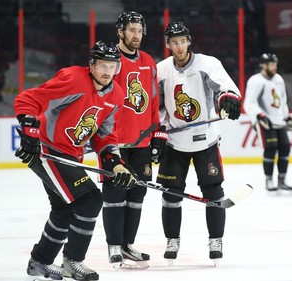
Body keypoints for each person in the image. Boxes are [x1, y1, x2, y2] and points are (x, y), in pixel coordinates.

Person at [14, 40, 137, 281]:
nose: (107, 72)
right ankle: (73, 262)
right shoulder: (73, 79)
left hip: (71, 155)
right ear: (91, 65)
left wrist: (116, 162)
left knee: (64, 210)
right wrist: (29, 128)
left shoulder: (117, 95)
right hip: (47, 150)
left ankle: (39, 262)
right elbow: (28, 99)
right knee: (90, 200)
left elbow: (105, 136)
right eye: (102, 65)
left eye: (112, 67)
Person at [156, 21, 242, 265]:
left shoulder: (208, 64)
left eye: (183, 41)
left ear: (189, 41)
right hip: (175, 143)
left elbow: (226, 88)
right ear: (168, 44)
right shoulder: (161, 70)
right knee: (170, 196)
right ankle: (172, 240)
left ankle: (216, 240)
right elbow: (157, 107)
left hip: (206, 140)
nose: (179, 46)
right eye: (174, 42)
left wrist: (228, 99)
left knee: (214, 192)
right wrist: (159, 131)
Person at [101, 11, 167, 269]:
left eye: (139, 31)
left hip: (142, 142)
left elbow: (152, 102)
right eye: (131, 30)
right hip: (114, 142)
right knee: (114, 194)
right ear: (120, 31)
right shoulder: (109, 61)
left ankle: (127, 244)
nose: (136, 35)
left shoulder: (149, 61)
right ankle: (114, 245)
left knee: (137, 195)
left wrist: (157, 132)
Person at [244, 53, 292, 192]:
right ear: (264, 65)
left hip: (279, 121)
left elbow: (282, 101)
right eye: (272, 64)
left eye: (275, 64)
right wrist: (259, 115)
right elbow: (249, 103)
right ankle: (269, 181)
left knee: (285, 148)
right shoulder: (256, 81)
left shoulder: (278, 79)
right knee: (270, 149)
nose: (274, 67)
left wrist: (287, 117)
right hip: (264, 121)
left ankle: (282, 181)